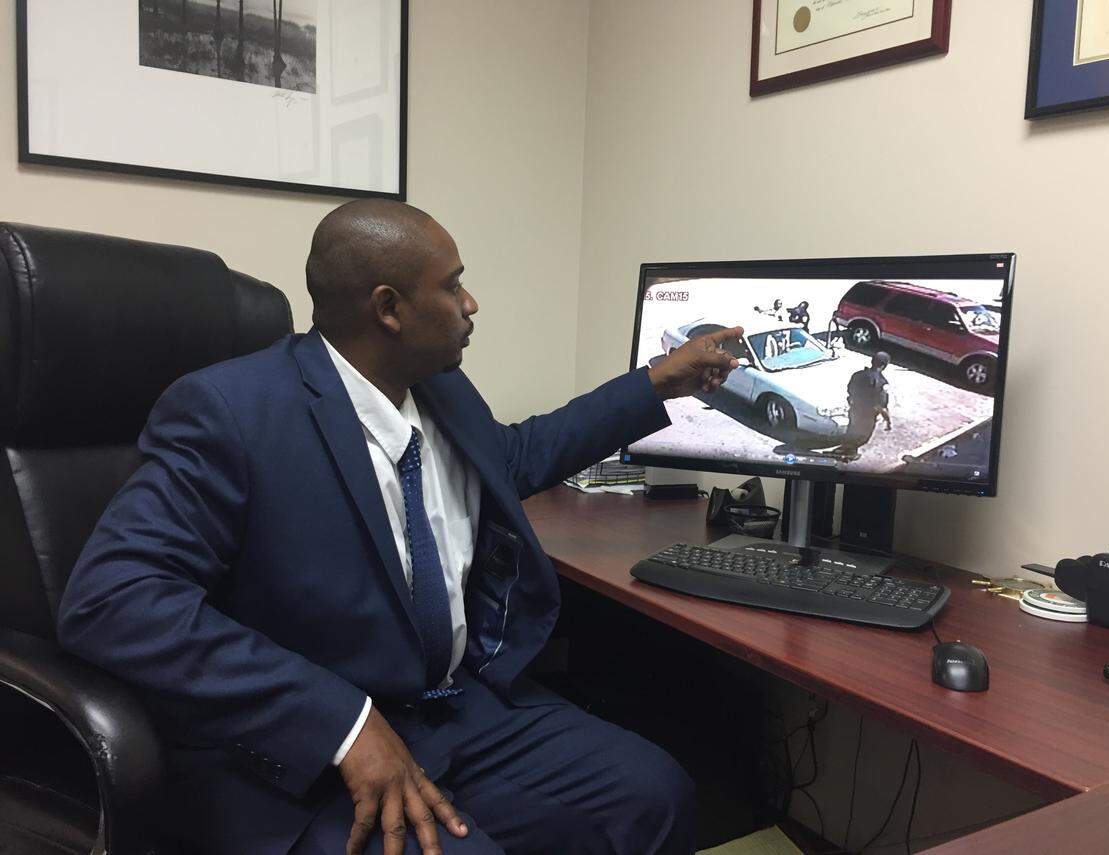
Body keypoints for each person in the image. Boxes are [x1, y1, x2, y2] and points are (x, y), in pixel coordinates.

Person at [56, 199, 742, 855]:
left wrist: (657, 382)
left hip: (451, 709)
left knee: (654, 794)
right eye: (453, 287)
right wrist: (343, 724)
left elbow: (517, 457)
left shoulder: (435, 385)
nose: (471, 305)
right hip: (302, 752)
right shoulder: (230, 412)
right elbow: (113, 598)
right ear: (388, 308)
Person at [833, 351, 891, 459]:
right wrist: (887, 420)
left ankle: (846, 449)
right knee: (863, 435)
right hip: (868, 414)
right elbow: (881, 405)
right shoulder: (881, 382)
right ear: (884, 365)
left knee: (852, 429)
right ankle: (850, 453)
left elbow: (850, 389)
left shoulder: (858, 374)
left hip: (855, 408)